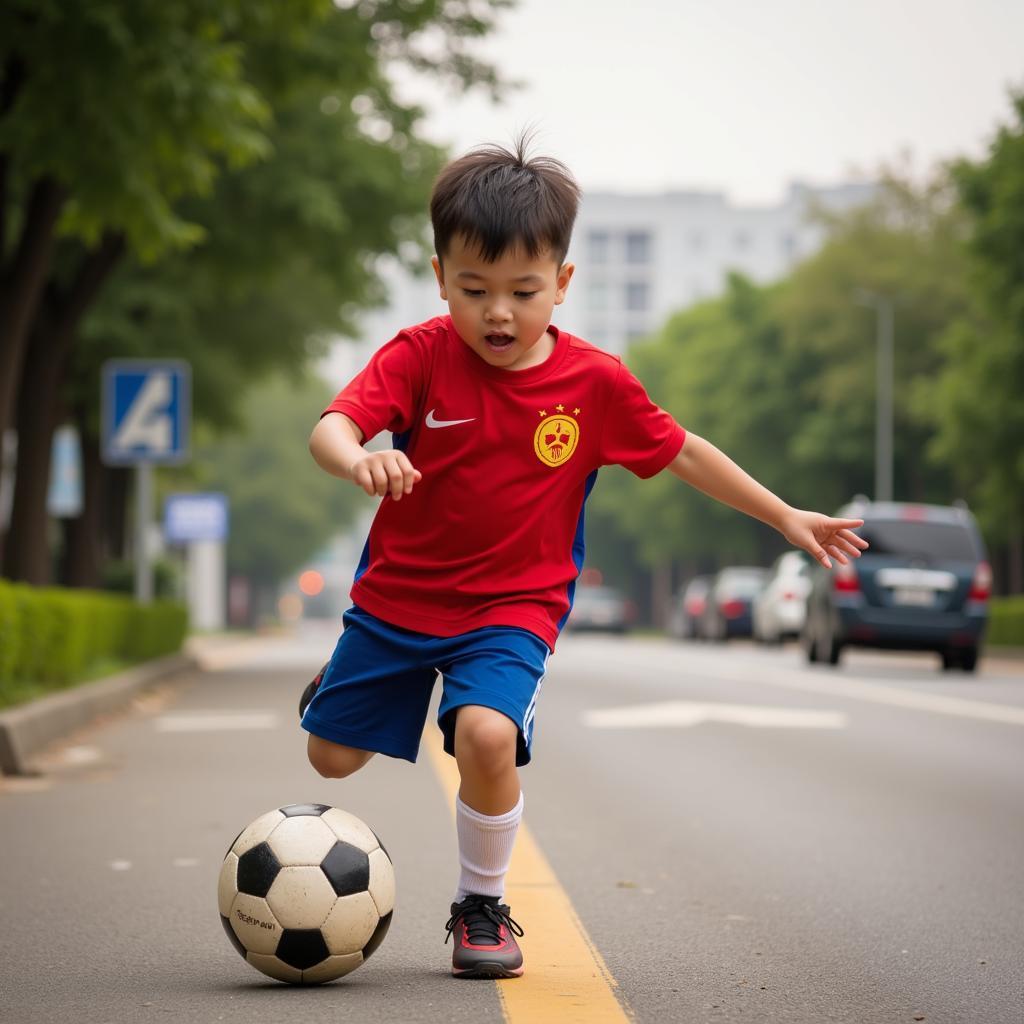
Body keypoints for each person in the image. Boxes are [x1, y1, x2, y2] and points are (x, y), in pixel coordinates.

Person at [300, 139, 868, 979]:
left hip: (511, 610)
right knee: (331, 760)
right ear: (440, 276)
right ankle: (333, 692)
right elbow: (332, 427)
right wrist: (360, 459)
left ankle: (481, 907)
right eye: (474, 290)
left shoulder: (593, 384)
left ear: (561, 283)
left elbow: (684, 452)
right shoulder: (420, 356)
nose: (498, 313)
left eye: (523, 292)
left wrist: (784, 516)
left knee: (486, 737)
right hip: (398, 602)